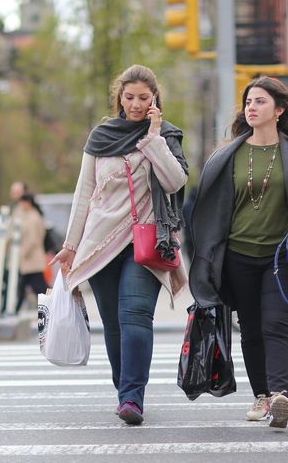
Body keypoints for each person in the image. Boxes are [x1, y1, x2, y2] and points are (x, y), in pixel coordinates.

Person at [188, 76, 288, 429]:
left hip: (284, 256)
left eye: (260, 102)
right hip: (238, 255)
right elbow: (209, 209)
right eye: (248, 102)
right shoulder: (228, 155)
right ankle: (262, 396)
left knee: (278, 324)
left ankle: (281, 395)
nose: (251, 108)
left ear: (279, 110)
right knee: (251, 328)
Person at [50, 64, 188, 425]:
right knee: (112, 322)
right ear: (119, 98)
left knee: (135, 316)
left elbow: (174, 182)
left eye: (144, 98)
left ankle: (133, 397)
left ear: (155, 99)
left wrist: (154, 137)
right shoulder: (101, 136)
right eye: (129, 97)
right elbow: (84, 194)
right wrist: (70, 244)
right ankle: (124, 390)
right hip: (100, 241)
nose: (136, 105)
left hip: (145, 241)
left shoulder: (166, 136)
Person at [15, 193, 48, 314]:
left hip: (32, 257)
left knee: (37, 287)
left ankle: (15, 309)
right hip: (31, 258)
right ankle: (15, 309)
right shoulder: (30, 215)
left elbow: (33, 239)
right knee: (34, 286)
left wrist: (24, 252)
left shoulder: (33, 217)